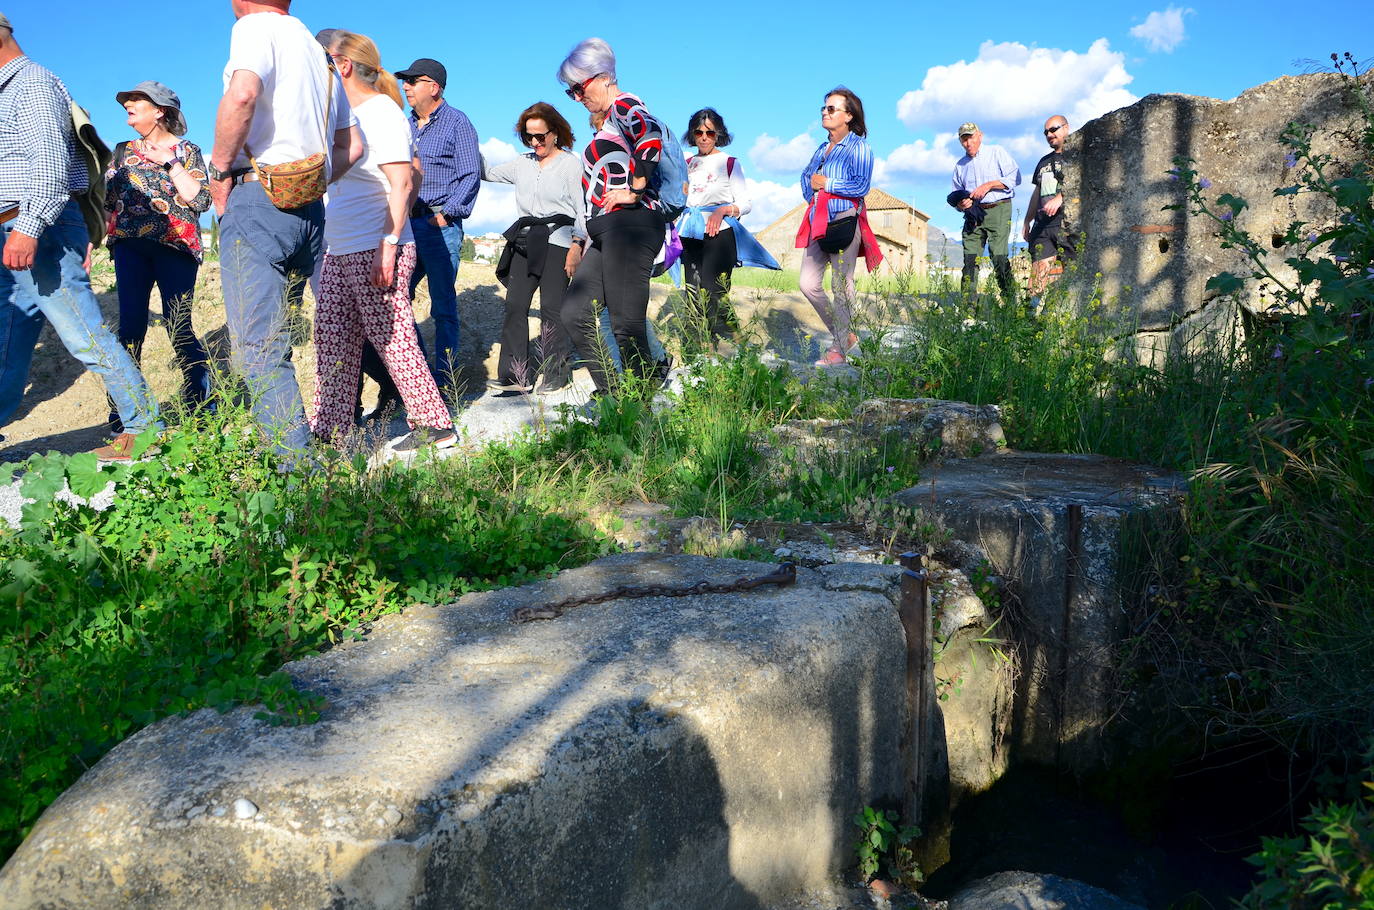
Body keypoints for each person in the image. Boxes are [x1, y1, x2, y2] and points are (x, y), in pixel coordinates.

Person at [0, 12, 162, 459]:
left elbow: (50, 168)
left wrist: (28, 230)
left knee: (83, 332)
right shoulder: (11, 88)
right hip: (16, 228)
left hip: (36, 227)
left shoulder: (30, 84)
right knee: (8, 338)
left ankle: (144, 427)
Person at [208, 0, 361, 455]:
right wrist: (308, 181)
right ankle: (331, 440)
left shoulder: (255, 26)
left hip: (257, 195)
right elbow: (349, 144)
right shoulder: (316, 48)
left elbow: (242, 95)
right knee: (325, 326)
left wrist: (218, 173)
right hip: (309, 203)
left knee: (260, 345)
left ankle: (298, 478)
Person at [311, 32, 454, 452]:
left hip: (376, 242)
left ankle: (435, 425)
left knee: (393, 338)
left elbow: (403, 180)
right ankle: (330, 427)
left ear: (343, 64)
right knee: (331, 337)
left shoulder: (382, 113)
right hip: (338, 246)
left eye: (321, 63)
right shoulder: (340, 116)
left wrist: (389, 244)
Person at [557, 37, 672, 393]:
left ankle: (641, 411)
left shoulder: (624, 104)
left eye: (580, 87)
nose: (577, 97)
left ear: (603, 76)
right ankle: (616, 397)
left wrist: (635, 189)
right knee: (575, 313)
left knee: (625, 324)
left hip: (632, 226)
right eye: (570, 91)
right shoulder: (609, 119)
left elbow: (650, 135)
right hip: (608, 231)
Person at [104, 80, 212, 431]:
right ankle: (125, 411)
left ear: (159, 111)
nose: (129, 105)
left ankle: (200, 401)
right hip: (129, 246)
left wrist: (170, 164)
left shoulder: (188, 151)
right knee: (130, 327)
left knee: (178, 324)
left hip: (176, 247)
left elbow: (201, 201)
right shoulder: (121, 152)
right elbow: (105, 203)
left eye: (137, 100)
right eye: (128, 101)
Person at [481, 103, 586, 394]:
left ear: (556, 133)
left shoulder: (570, 164)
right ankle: (515, 377)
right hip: (526, 241)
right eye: (529, 137)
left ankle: (556, 373)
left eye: (541, 136)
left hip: (558, 242)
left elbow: (582, 209)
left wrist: (578, 245)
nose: (535, 142)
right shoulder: (521, 162)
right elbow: (487, 172)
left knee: (552, 309)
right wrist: (465, 146)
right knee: (515, 307)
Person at [393, 57, 479, 397]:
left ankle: (444, 384)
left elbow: (470, 173)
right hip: (406, 225)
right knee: (397, 300)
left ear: (435, 87)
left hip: (438, 224)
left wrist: (447, 214)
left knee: (443, 306)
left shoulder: (458, 123)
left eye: (414, 81)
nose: (406, 86)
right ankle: (416, 378)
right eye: (405, 81)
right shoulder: (404, 124)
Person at [677, 108, 779, 346]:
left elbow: (745, 203)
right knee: (693, 291)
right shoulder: (687, 164)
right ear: (692, 134)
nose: (704, 137)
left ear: (718, 134)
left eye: (710, 132)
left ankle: (735, 341)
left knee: (714, 290)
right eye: (699, 132)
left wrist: (722, 210)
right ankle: (701, 347)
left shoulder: (729, 162)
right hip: (690, 232)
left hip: (720, 233)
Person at [796, 86, 881, 367]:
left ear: (848, 115)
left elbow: (861, 185)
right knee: (807, 284)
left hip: (844, 221)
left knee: (841, 285)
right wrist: (814, 194)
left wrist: (827, 185)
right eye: (824, 108)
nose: (825, 112)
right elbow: (806, 178)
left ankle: (839, 351)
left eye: (831, 108)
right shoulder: (821, 149)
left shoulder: (859, 147)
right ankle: (843, 335)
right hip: (816, 221)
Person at [950, 122, 1020, 301]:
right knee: (970, 260)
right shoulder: (960, 166)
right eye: (964, 139)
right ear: (960, 141)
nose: (968, 143)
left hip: (998, 208)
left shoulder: (996, 152)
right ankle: (968, 310)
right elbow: (956, 194)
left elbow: (1015, 177)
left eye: (971, 137)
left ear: (980, 136)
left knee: (998, 256)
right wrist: (962, 204)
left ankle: (1010, 302)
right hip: (973, 214)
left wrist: (989, 185)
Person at [1023, 114, 1078, 309]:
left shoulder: (1077, 155)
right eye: (1046, 132)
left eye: (1053, 129)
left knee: (1074, 274)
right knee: (1038, 274)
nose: (1049, 134)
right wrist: (1027, 220)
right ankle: (1028, 322)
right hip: (1043, 225)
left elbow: (1084, 184)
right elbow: (1037, 192)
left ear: (1066, 128)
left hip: (1068, 224)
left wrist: (1061, 198)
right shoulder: (1043, 162)